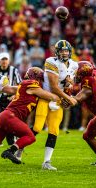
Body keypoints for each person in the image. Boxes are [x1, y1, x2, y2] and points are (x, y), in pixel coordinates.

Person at [0, 67, 60, 164]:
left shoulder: (26, 86)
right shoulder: (31, 85)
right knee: (30, 136)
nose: (41, 81)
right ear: (36, 77)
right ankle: (10, 151)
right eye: (40, 79)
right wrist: (64, 96)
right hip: (10, 117)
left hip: (5, 117)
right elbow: (51, 96)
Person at [33, 40, 78, 170]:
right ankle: (17, 148)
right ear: (57, 52)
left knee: (54, 130)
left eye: (66, 51)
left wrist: (67, 93)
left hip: (58, 100)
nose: (64, 53)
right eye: (62, 50)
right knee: (37, 127)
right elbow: (53, 87)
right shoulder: (51, 62)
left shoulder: (74, 65)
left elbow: (69, 84)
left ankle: (46, 162)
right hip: (46, 96)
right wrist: (68, 98)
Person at [0, 52, 22, 147]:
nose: (4, 61)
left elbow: (20, 84)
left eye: (6, 59)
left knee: (9, 120)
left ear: (9, 60)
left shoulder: (13, 70)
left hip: (9, 98)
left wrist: (14, 95)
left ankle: (11, 139)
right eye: (2, 59)